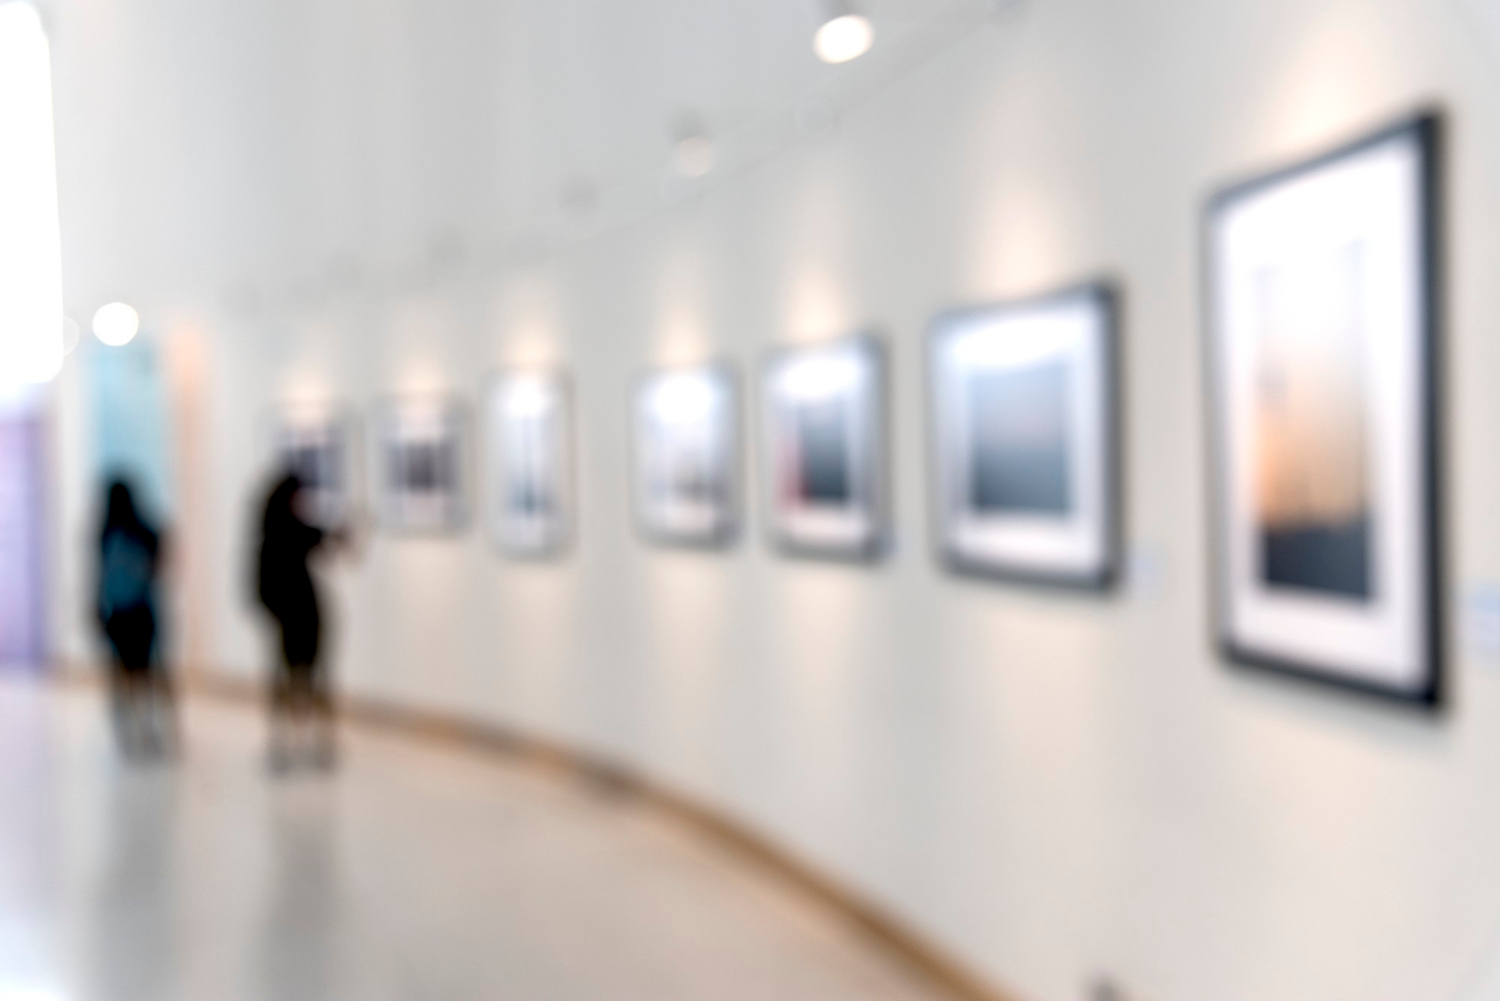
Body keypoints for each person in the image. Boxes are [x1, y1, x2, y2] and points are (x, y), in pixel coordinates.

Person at [256, 473, 337, 771]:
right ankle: (292, 741)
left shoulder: (280, 533)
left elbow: (327, 540)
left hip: (302, 615)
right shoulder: (283, 533)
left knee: (308, 679)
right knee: (294, 680)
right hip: (295, 616)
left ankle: (314, 740)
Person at [96, 479, 174, 759]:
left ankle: (135, 730)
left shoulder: (108, 531)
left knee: (127, 673)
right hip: (140, 608)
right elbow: (159, 563)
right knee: (148, 672)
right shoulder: (142, 529)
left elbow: (99, 575)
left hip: (121, 610)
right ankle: (150, 728)